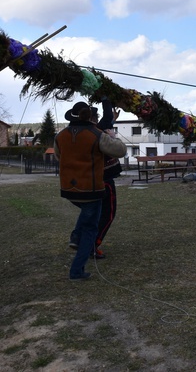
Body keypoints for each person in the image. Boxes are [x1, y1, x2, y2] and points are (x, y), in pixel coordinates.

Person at [55, 101, 126, 281]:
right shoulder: (96, 134)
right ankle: (77, 270)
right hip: (91, 188)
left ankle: (75, 236)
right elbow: (120, 150)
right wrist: (112, 136)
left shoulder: (60, 135)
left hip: (69, 189)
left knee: (87, 215)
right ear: (91, 117)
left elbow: (58, 156)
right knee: (90, 228)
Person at [94, 98, 122, 258]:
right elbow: (106, 117)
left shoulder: (87, 131)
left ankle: (82, 241)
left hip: (95, 177)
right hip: (105, 179)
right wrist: (106, 98)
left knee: (94, 213)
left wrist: (112, 117)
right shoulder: (99, 129)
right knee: (108, 213)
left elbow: (107, 118)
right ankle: (94, 243)